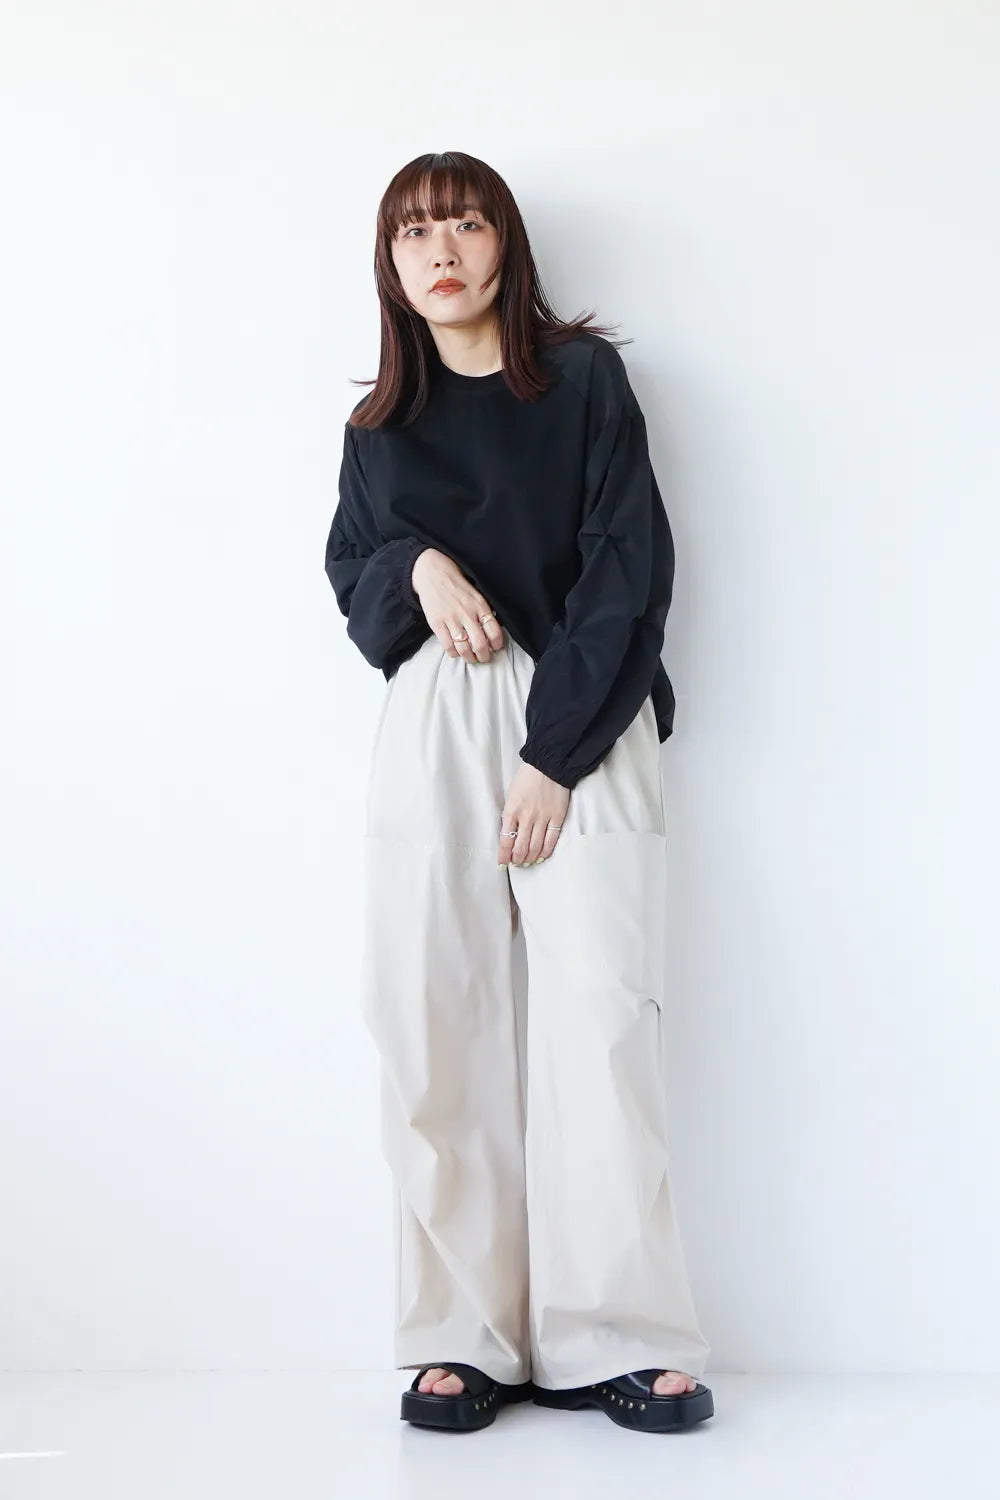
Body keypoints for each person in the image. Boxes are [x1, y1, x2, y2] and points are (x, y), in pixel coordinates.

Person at [324, 151, 714, 1436]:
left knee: (600, 1016)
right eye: (414, 233)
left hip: (581, 710)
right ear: (389, 264)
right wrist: (417, 565)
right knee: (433, 1012)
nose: (440, 251)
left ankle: (616, 1335)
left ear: (505, 243)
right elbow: (353, 579)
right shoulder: (376, 426)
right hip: (436, 714)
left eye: (464, 224)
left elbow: (626, 570)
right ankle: (462, 1334)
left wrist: (553, 754)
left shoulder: (584, 382)